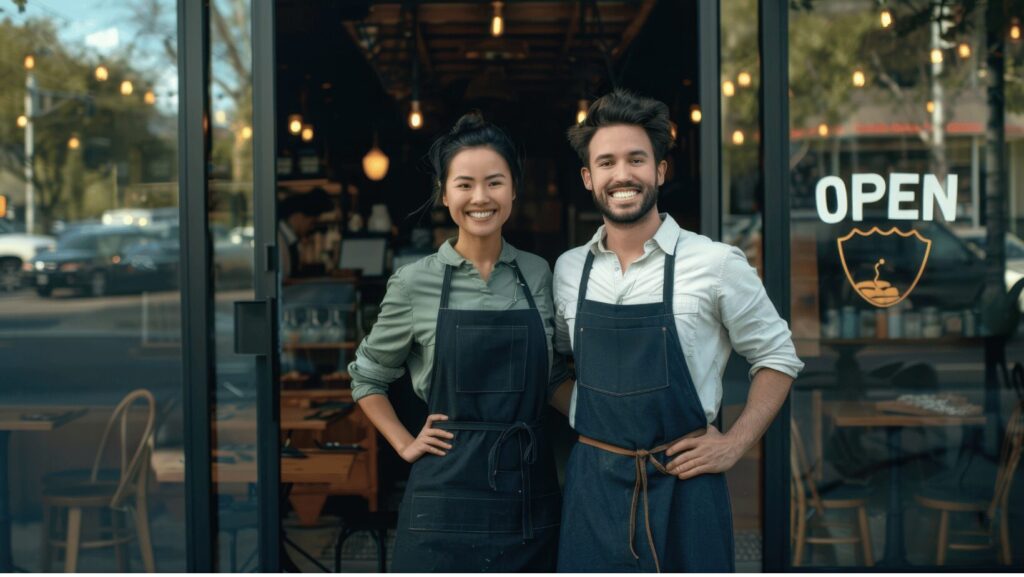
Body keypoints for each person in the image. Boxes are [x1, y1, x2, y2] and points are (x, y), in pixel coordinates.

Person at [554, 90, 804, 572]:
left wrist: (733, 443)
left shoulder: (714, 263)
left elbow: (778, 356)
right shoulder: (568, 270)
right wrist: (591, 416)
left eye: (636, 159)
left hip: (687, 486)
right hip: (593, 488)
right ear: (589, 178)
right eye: (606, 162)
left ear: (660, 171)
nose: (621, 174)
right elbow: (558, 363)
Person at [349, 112, 572, 571]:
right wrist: (405, 443)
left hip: (528, 493)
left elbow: (550, 374)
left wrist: (610, 421)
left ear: (513, 189)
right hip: (444, 499)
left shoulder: (538, 273)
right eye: (465, 184)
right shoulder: (414, 283)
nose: (480, 198)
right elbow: (367, 377)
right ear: (444, 193)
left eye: (494, 183)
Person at [277, 187, 333, 279]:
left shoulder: (288, 240)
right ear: (298, 216)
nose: (311, 227)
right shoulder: (278, 240)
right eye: (311, 222)